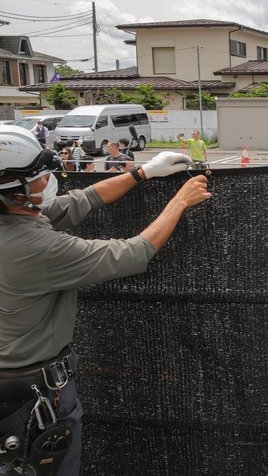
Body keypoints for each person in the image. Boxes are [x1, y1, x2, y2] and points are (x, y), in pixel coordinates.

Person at [0, 124, 210, 475]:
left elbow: (81, 201)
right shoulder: (36, 248)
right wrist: (179, 201)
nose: (50, 180)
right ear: (14, 191)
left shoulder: (16, 218)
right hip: (34, 399)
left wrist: (142, 173)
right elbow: (131, 254)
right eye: (39, 176)